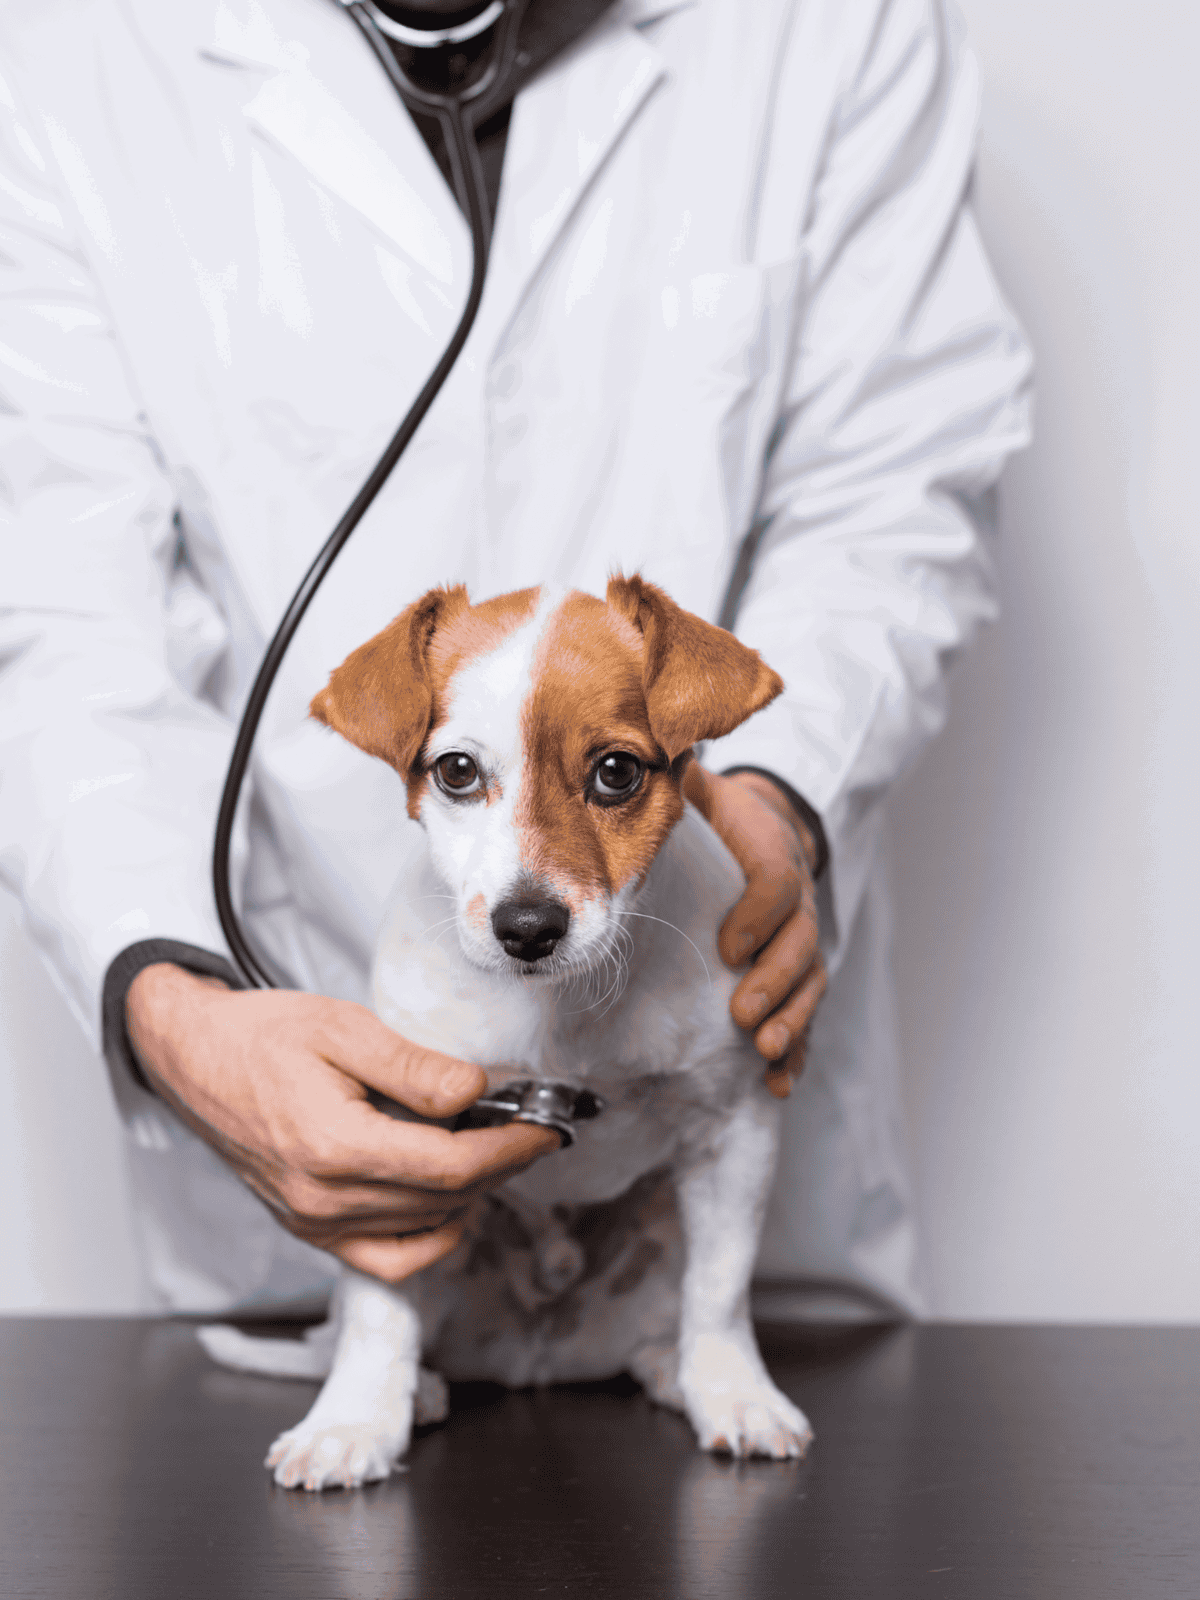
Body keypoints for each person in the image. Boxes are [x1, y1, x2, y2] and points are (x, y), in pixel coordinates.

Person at [0, 0, 1031, 1317]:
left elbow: (895, 492)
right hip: (311, 1172)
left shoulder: (835, 26)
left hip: (708, 1170)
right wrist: (169, 1000)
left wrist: (780, 799)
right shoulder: (73, 44)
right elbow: (50, 602)